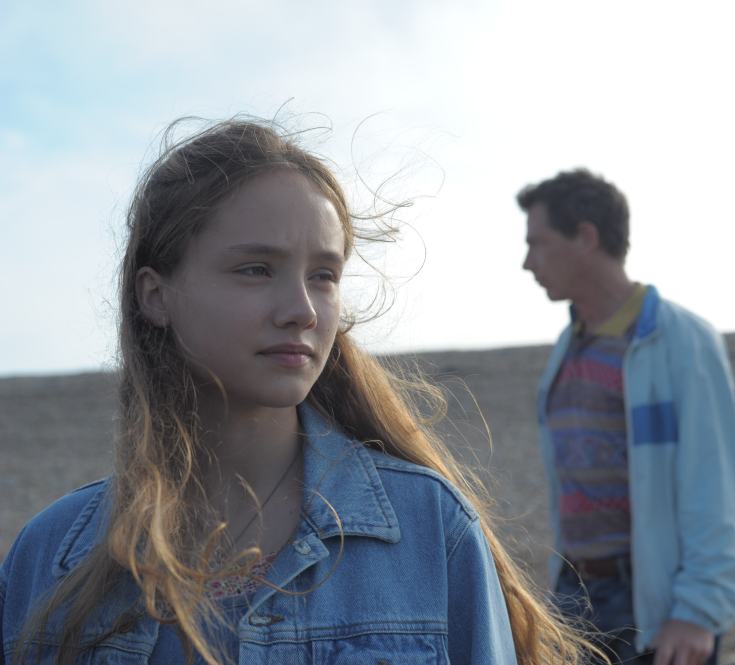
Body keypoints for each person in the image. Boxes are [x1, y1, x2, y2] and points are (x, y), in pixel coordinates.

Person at [0, 119, 602, 665]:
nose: (303, 310)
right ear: (156, 295)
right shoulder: (49, 557)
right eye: (256, 269)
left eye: (324, 276)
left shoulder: (430, 528)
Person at [517, 169, 735, 665]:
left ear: (586, 236)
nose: (527, 263)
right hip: (576, 599)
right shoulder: (569, 346)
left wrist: (698, 612)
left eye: (537, 244)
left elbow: (716, 485)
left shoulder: (680, 341)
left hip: (654, 604)